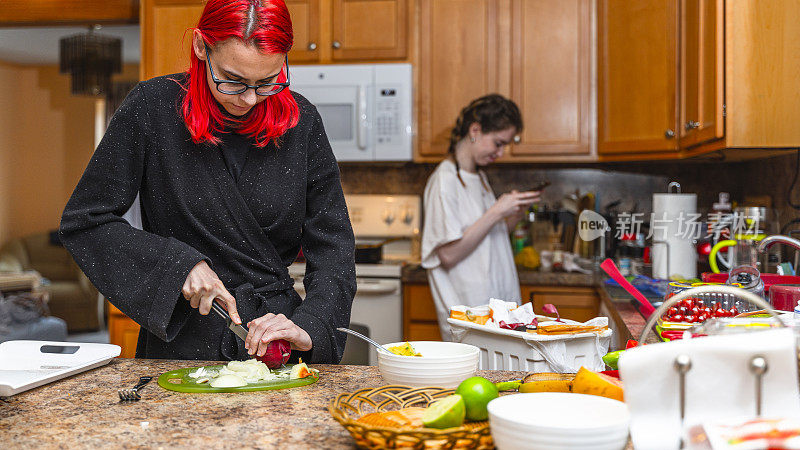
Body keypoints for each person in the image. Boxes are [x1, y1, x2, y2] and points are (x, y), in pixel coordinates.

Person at [59, 0, 356, 363]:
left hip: (276, 344)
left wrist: (311, 325)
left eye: (267, 82)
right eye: (232, 80)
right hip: (181, 345)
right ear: (201, 46)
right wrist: (177, 265)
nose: (249, 99)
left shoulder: (302, 122)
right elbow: (85, 222)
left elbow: (334, 249)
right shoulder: (152, 109)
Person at [421, 94, 540, 339]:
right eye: (498, 143)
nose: (501, 152)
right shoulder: (444, 181)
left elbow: (486, 240)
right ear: (475, 130)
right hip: (471, 317)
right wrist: (496, 210)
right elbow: (448, 254)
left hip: (495, 311)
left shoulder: (479, 177)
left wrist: (511, 214)